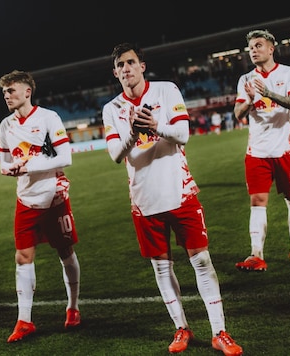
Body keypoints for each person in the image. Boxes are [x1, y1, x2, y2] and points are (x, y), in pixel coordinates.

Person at [101, 43, 243, 356]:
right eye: (120, 66)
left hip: (179, 191)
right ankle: (182, 327)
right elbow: (115, 154)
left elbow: (183, 135)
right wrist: (134, 134)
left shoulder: (166, 91)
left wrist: (154, 126)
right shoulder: (111, 108)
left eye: (130, 62)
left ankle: (220, 332)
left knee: (201, 261)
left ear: (142, 66)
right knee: (162, 269)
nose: (126, 69)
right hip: (144, 198)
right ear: (115, 73)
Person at [0, 70, 82, 342]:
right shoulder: (5, 126)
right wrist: (9, 170)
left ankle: (73, 307)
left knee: (65, 251)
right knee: (22, 256)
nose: (7, 96)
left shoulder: (49, 117)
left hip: (54, 197)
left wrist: (30, 165)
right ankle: (24, 321)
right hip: (25, 199)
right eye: (4, 92)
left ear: (27, 91)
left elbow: (65, 157)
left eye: (11, 90)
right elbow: (4, 162)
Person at [232, 29, 290, 272]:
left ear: (271, 48)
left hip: (286, 149)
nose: (254, 50)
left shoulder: (289, 73)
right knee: (257, 202)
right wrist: (252, 99)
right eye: (251, 47)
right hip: (257, 152)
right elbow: (238, 114)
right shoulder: (245, 80)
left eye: (258, 45)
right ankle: (256, 255)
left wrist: (268, 93)